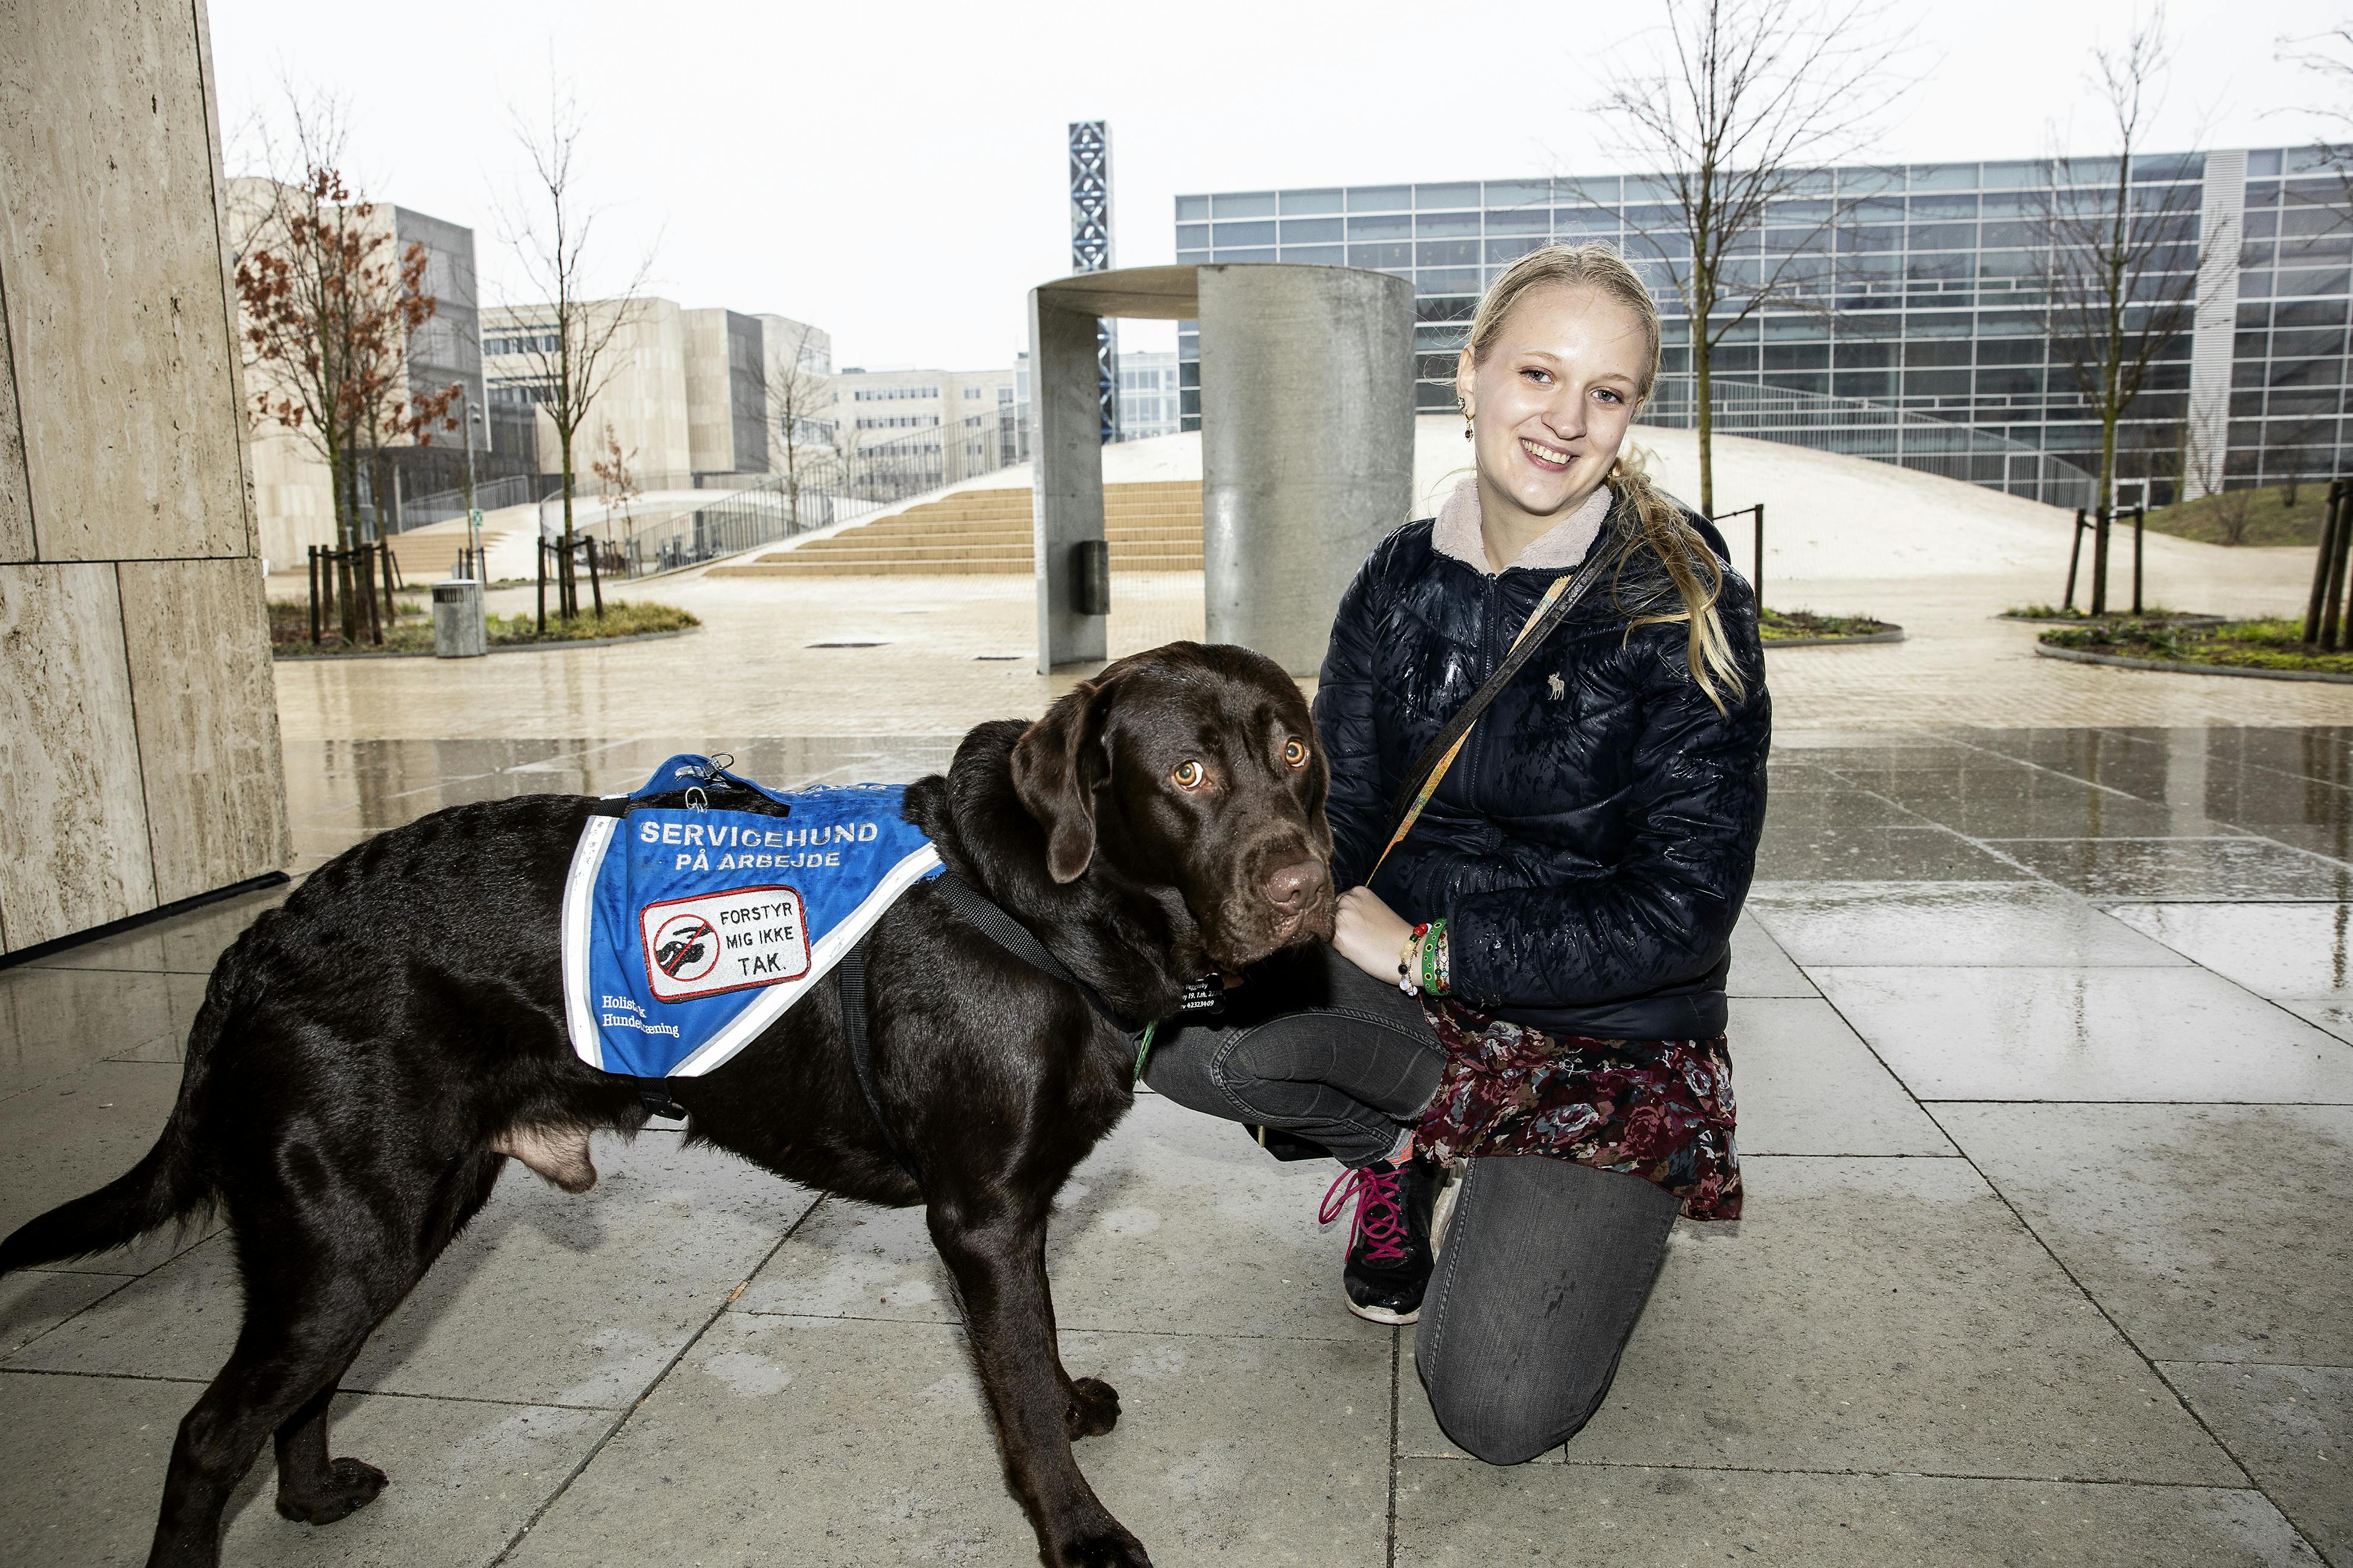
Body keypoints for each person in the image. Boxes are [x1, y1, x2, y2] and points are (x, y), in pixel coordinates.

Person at [1144, 243, 1769, 1465]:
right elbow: (1348, 803)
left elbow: (1682, 909)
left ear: (1632, 414)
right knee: (1165, 1018)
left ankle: (1542, 1189)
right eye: (1536, 373)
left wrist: (1434, 950)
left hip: (1605, 1032)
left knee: (1495, 1408)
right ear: (1470, 374)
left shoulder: (1681, 598)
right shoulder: (1395, 575)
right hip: (1413, 1003)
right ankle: (1403, 1146)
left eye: (1607, 393)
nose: (1564, 419)